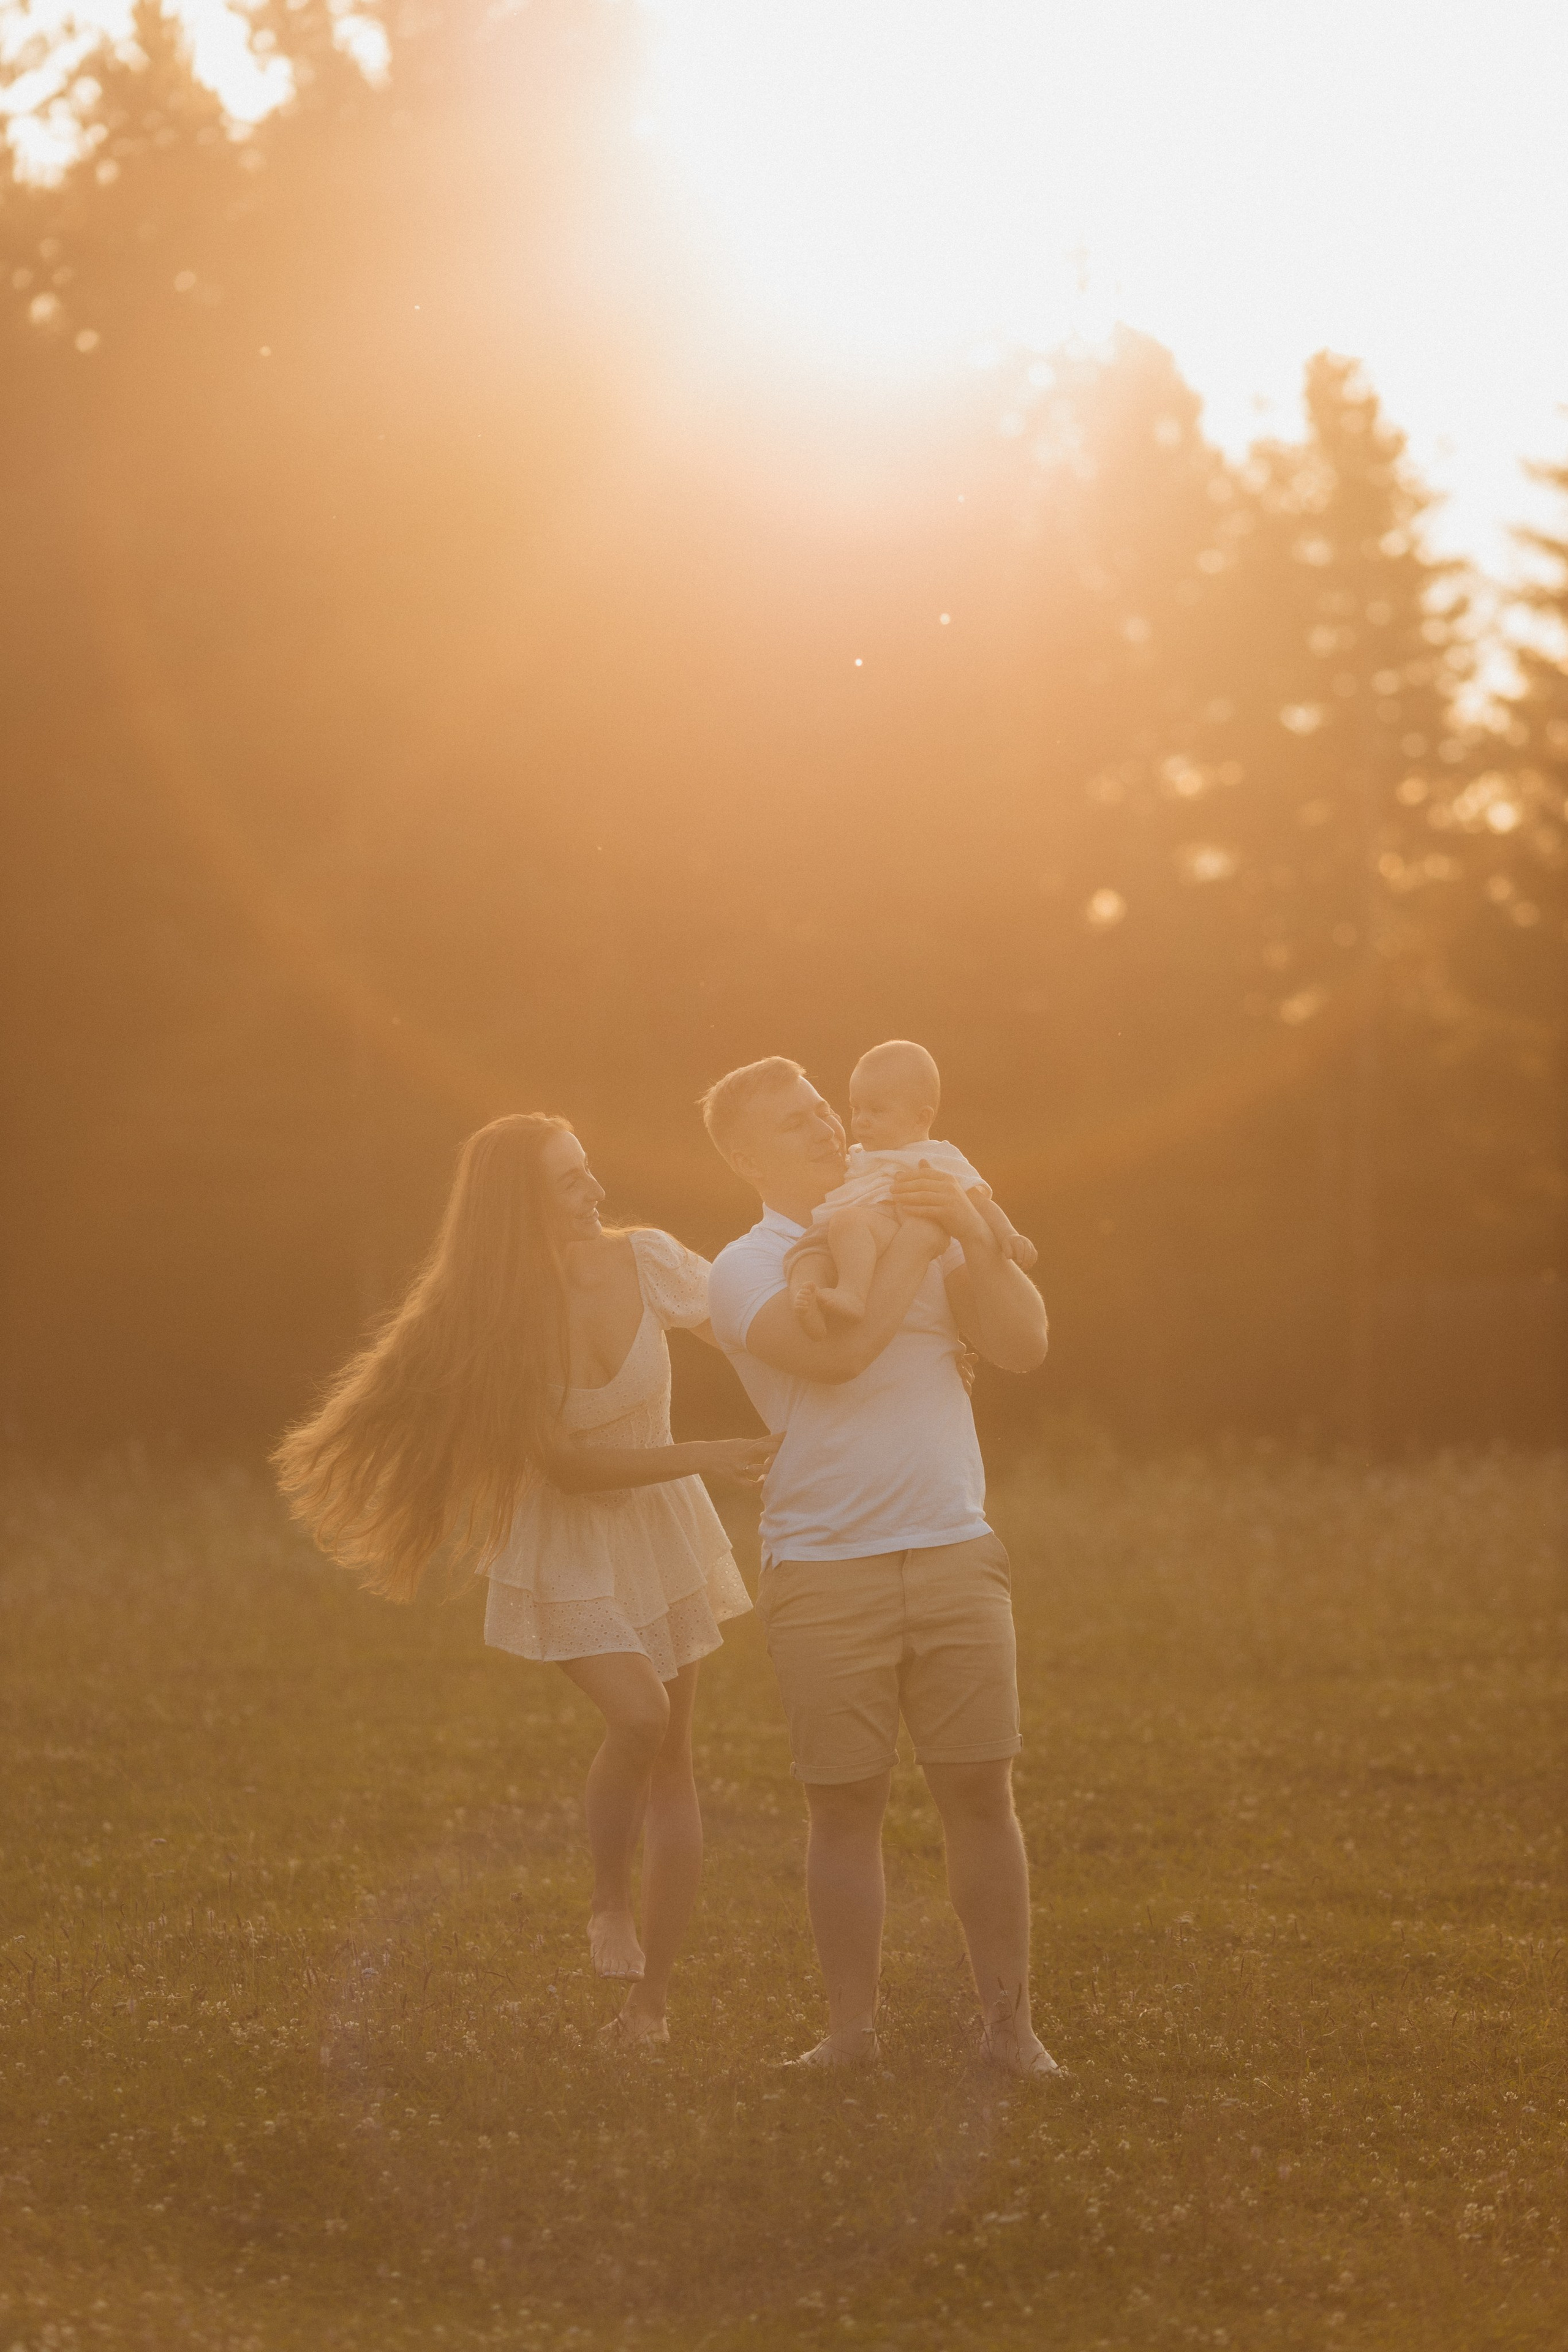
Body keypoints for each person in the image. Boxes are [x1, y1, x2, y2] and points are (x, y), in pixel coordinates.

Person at [273, 1112, 776, 2049]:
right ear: (519, 1206)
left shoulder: (652, 1260)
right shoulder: (500, 1319)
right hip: (570, 1539)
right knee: (639, 1717)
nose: (592, 1191)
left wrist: (860, 1349)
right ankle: (605, 1899)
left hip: (659, 1530)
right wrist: (709, 1451)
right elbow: (572, 1471)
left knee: (675, 1760)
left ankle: (649, 2009)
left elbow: (758, 1336)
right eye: (567, 1182)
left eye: (588, 1170)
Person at [700, 1057, 1060, 2078]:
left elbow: (1026, 1342)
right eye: (794, 1122)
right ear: (744, 1155)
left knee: (980, 1794)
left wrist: (972, 1233)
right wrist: (929, 1232)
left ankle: (1010, 2028)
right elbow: (839, 1355)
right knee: (844, 1806)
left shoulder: (907, 1192)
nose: (825, 1127)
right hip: (822, 1564)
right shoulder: (749, 1265)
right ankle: (850, 2036)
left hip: (953, 1541)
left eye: (823, 1108)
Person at [787, 1038, 1037, 1336]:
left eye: (877, 1111)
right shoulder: (857, 1154)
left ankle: (853, 1295)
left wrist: (1009, 1234)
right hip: (836, 1236)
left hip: (888, 1229)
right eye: (856, 1109)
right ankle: (811, 1311)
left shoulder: (935, 1157)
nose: (862, 1122)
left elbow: (979, 1203)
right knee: (804, 1258)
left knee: (848, 1222)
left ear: (922, 1117)